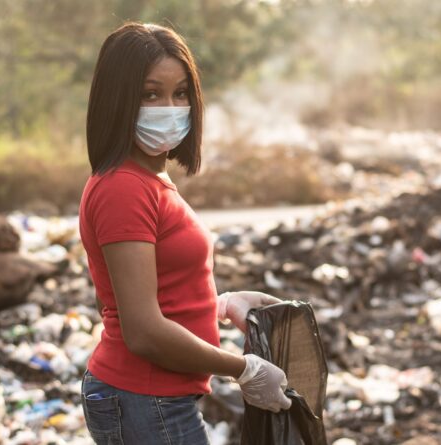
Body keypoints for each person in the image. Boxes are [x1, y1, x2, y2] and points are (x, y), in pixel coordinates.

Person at [78, 22, 292, 444]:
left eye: (180, 93)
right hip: (144, 397)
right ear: (118, 99)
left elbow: (139, 295)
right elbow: (142, 330)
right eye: (150, 94)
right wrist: (243, 369)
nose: (170, 107)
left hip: (153, 398)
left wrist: (218, 305)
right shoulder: (123, 188)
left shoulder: (148, 179)